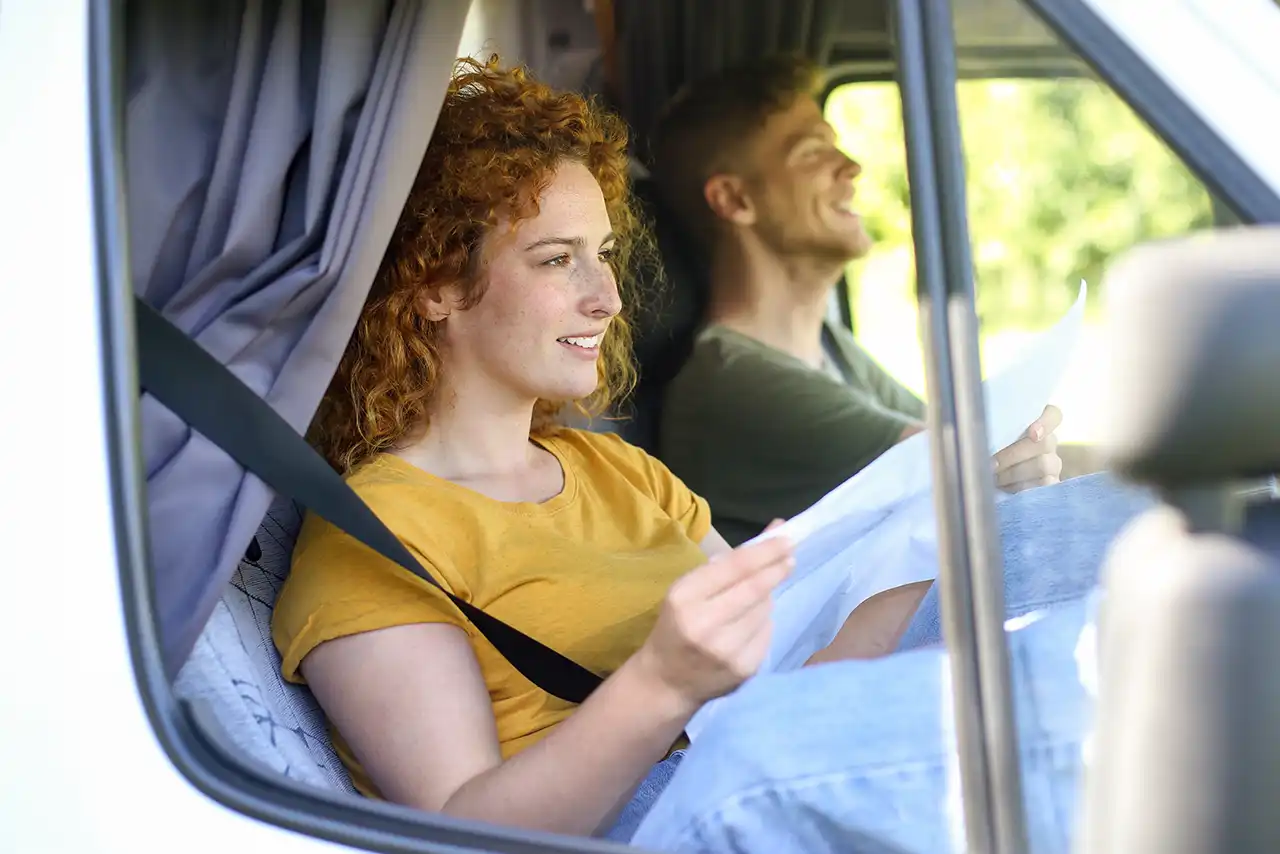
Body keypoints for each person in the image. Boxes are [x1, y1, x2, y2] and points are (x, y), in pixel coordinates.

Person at [271, 56, 1153, 853]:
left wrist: (945, 532)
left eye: (605, 257)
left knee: (1061, 537)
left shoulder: (615, 470)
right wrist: (659, 683)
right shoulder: (372, 532)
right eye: (556, 261)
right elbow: (462, 830)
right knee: (1102, 691)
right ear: (433, 285)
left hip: (755, 756)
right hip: (656, 821)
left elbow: (787, 673)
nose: (607, 297)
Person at [650, 55, 1067, 547]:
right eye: (811, 153)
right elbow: (975, 463)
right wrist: (1013, 453)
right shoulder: (732, 381)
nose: (851, 167)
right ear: (734, 200)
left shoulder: (829, 346)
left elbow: (974, 446)